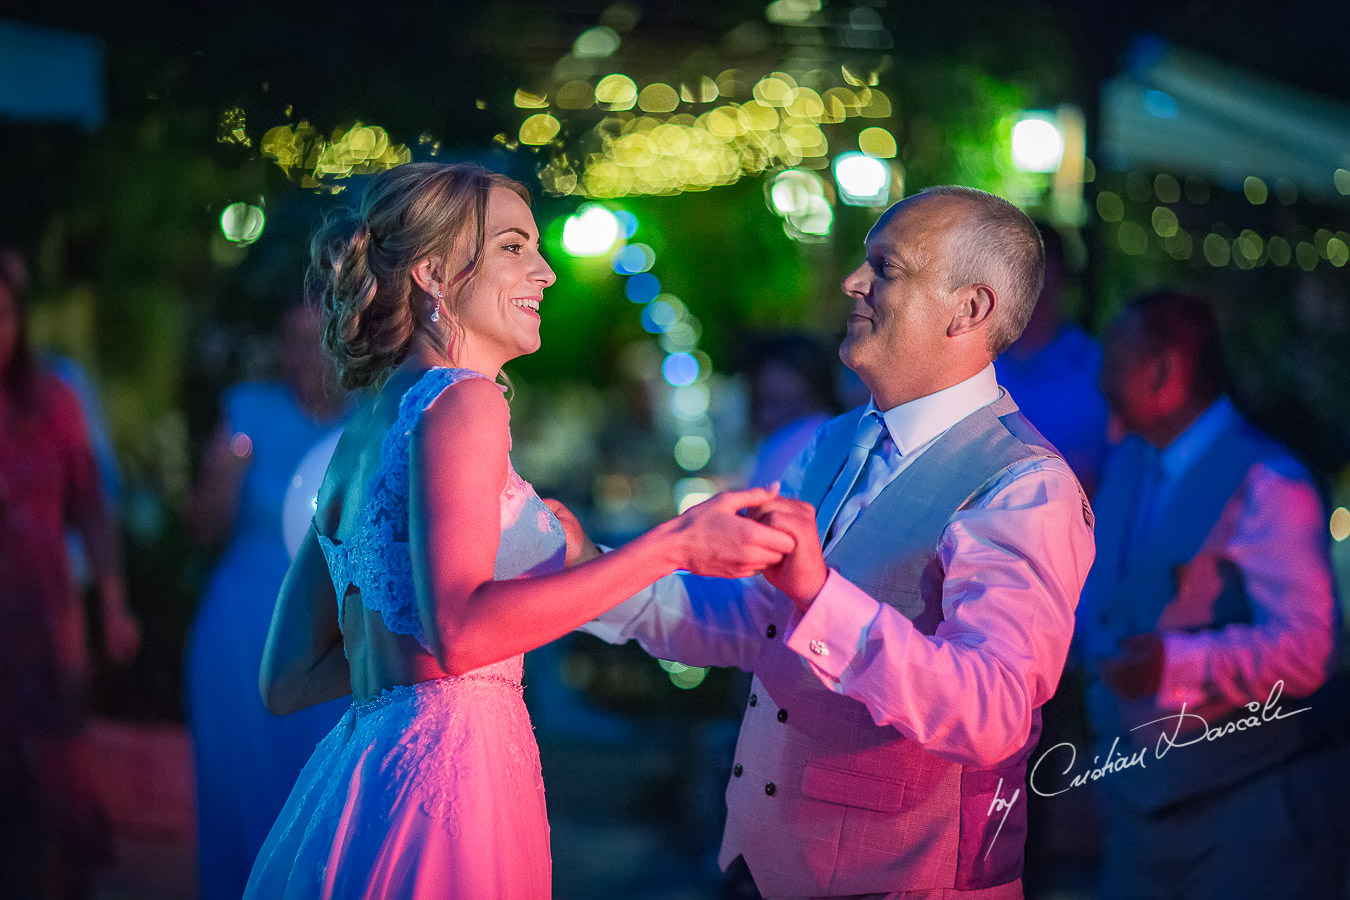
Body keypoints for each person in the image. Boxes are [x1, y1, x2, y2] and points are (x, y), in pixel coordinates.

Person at [243, 161, 793, 898]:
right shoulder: (464, 401)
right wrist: (673, 545)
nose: (545, 272)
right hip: (451, 776)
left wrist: (406, 663)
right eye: (513, 247)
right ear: (435, 274)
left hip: (366, 774)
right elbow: (464, 633)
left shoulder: (364, 427)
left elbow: (286, 677)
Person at [567, 186, 1096, 898]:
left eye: (887, 267)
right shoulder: (837, 440)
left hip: (902, 878)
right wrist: (590, 577)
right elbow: (758, 621)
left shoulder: (1025, 486)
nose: (854, 282)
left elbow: (993, 712)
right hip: (763, 861)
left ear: (970, 309)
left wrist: (822, 596)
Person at [1077, 289, 1346, 899]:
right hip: (1136, 818)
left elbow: (1311, 649)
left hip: (1247, 821)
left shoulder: (1271, 482)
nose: (1100, 381)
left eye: (1114, 364)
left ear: (1166, 370)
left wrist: (1174, 663)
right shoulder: (1126, 465)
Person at [185, 302, 352, 900]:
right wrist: (222, 473)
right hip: (242, 632)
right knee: (242, 790)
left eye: (319, 342)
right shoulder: (248, 412)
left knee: (322, 800)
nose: (306, 358)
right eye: (293, 342)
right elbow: (202, 527)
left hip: (331, 641)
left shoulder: (370, 424)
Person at [0, 252, 141, 899]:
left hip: (41, 613)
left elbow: (90, 504)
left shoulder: (52, 399)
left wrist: (112, 604)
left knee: (57, 790)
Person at [995, 225, 1108, 496]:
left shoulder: (1093, 367)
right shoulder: (974, 360)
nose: (1029, 281)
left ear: (1061, 276)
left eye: (1040, 267)